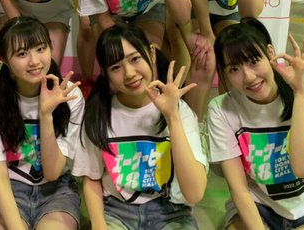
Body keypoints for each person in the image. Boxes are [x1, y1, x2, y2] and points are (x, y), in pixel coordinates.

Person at [207, 18, 304, 230]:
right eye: (234, 69)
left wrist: (299, 93)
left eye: (254, 61)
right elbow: (239, 189)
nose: (249, 77)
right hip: (258, 207)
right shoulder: (222, 109)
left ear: (270, 53)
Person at [73, 24, 207, 230]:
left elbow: (195, 193)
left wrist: (172, 118)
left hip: (171, 212)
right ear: (106, 75)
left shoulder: (179, 110)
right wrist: (99, 224)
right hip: (116, 212)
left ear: (151, 53)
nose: (129, 73)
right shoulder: (98, 115)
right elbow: (91, 178)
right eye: (116, 67)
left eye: (135, 59)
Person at [0, 16, 85, 230]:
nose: (34, 61)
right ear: (4, 60)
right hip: (9, 189)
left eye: (41, 49)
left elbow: (52, 172)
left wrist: (46, 114)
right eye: (22, 54)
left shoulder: (70, 96)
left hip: (56, 190)